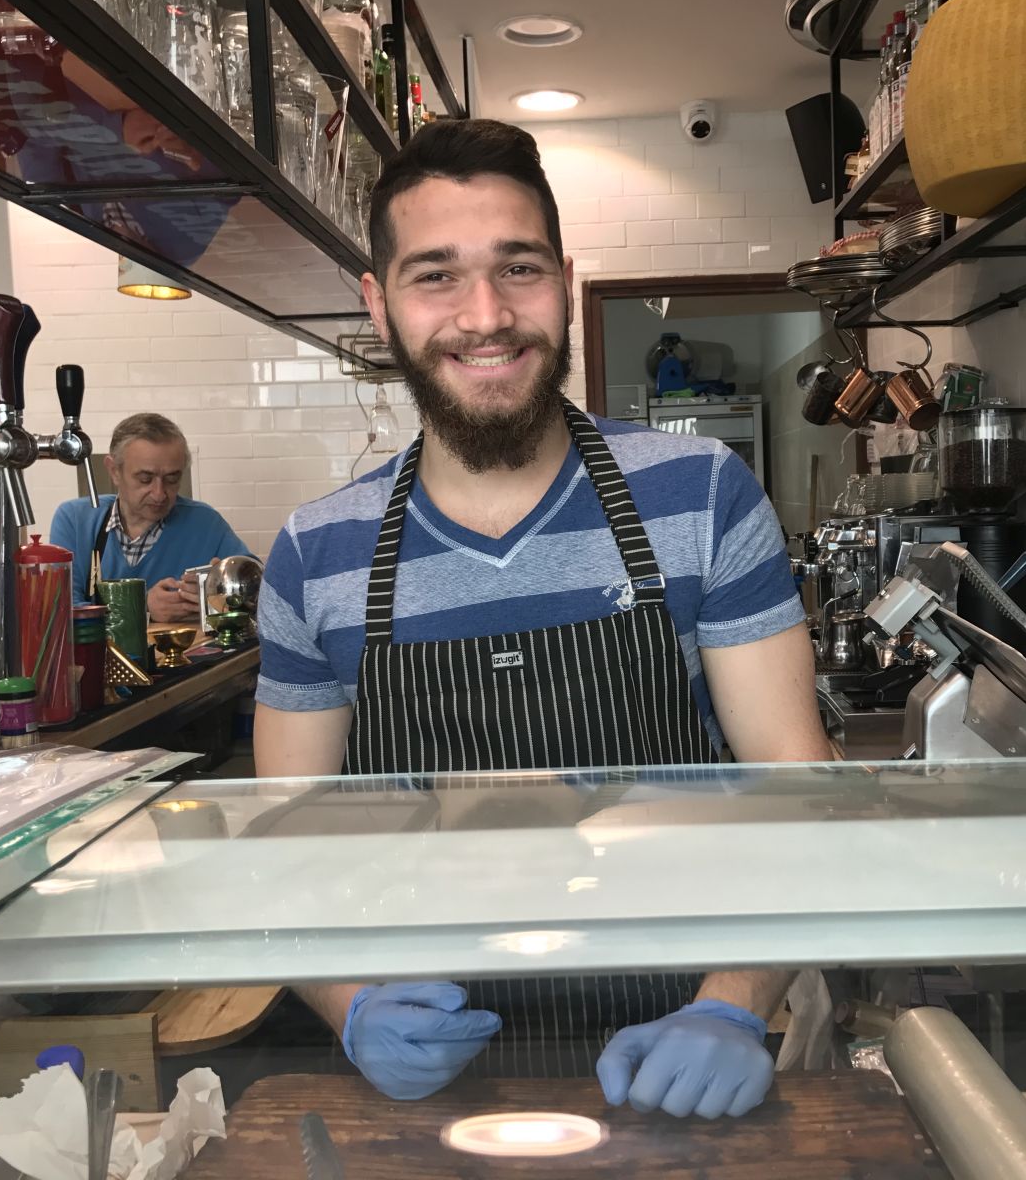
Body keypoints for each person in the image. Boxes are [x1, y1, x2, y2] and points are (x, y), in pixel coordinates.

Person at [253, 119, 832, 1119]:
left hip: (677, 1070)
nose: (485, 316)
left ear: (563, 282)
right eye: (436, 275)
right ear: (378, 304)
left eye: (517, 268)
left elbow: (799, 790)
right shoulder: (317, 552)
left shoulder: (699, 494)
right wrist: (352, 1008)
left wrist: (733, 1006)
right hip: (427, 1093)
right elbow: (283, 847)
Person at [50, 413, 252, 622]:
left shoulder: (206, 524)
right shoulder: (75, 520)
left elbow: (256, 592)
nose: (159, 494)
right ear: (114, 471)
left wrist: (221, 594)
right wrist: (142, 608)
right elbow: (61, 612)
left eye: (172, 479)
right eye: (145, 479)